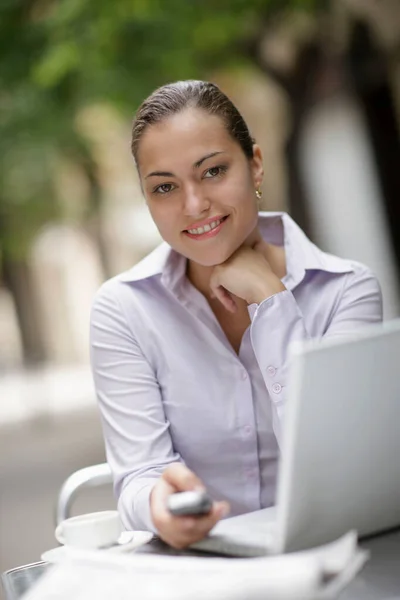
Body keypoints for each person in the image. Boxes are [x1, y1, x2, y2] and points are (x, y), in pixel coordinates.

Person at [90, 80, 383, 550]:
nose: (193, 204)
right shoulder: (124, 309)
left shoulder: (346, 291)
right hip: (202, 569)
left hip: (331, 554)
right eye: (165, 186)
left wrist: (271, 301)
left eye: (212, 171)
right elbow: (138, 477)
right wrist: (158, 506)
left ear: (255, 164)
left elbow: (338, 470)